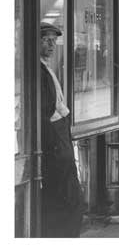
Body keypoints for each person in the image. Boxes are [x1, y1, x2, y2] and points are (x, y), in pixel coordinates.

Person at [39, 22, 85, 237]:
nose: (51, 44)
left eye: (53, 40)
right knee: (64, 201)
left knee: (70, 199)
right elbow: (46, 112)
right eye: (45, 39)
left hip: (61, 142)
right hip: (56, 145)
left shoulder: (45, 68)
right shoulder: (38, 71)